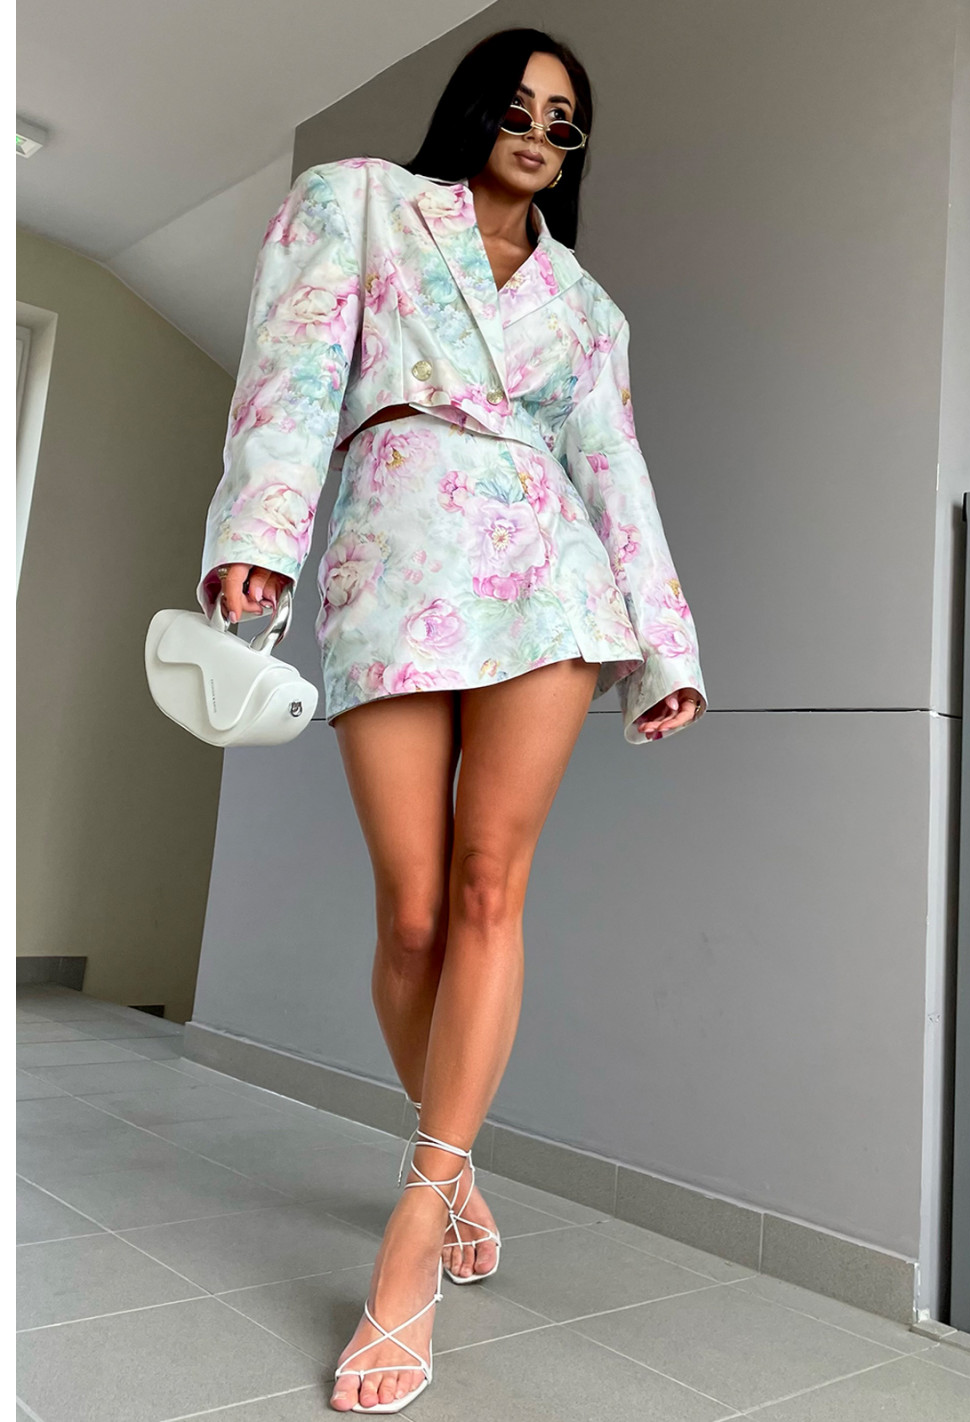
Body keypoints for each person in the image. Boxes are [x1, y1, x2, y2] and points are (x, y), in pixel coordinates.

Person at [197, 27, 707, 1414]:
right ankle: (458, 1149)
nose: (541, 130)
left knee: (491, 889)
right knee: (414, 916)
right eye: (521, 105)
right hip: (394, 562)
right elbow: (294, 371)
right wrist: (262, 537)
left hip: (549, 580)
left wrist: (664, 644)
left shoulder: (586, 306)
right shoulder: (358, 201)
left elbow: (615, 469)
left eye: (565, 119)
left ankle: (417, 1219)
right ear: (477, 108)